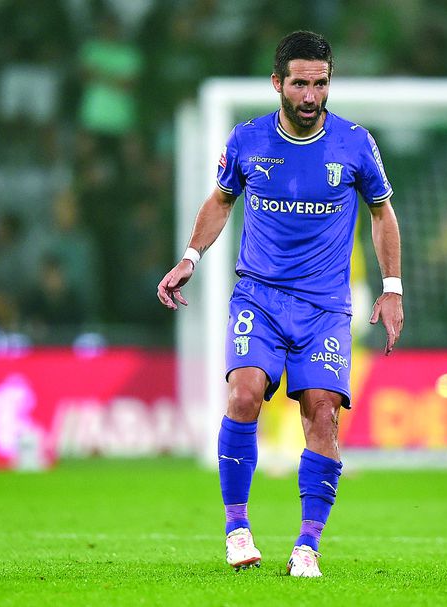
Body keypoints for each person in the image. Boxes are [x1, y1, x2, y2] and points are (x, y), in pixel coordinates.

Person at [156, 31, 404, 577]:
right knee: (244, 393)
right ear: (278, 84)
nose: (311, 95)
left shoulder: (355, 144)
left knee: (320, 410)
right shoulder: (247, 140)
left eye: (321, 84)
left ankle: (308, 545)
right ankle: (236, 527)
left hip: (325, 308)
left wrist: (392, 289)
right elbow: (222, 200)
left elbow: (382, 214)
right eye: (300, 84)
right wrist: (189, 259)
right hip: (259, 297)